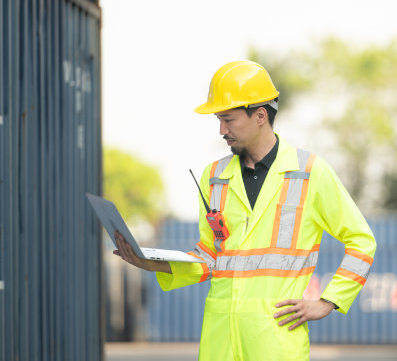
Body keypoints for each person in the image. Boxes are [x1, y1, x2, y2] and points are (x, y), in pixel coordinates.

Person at [113, 60, 376, 360]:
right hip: (220, 338)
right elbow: (210, 258)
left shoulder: (310, 173)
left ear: (260, 115)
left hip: (275, 341)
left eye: (228, 119)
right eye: (218, 120)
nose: (222, 130)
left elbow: (362, 240)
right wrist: (151, 263)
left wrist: (329, 301)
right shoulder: (214, 177)